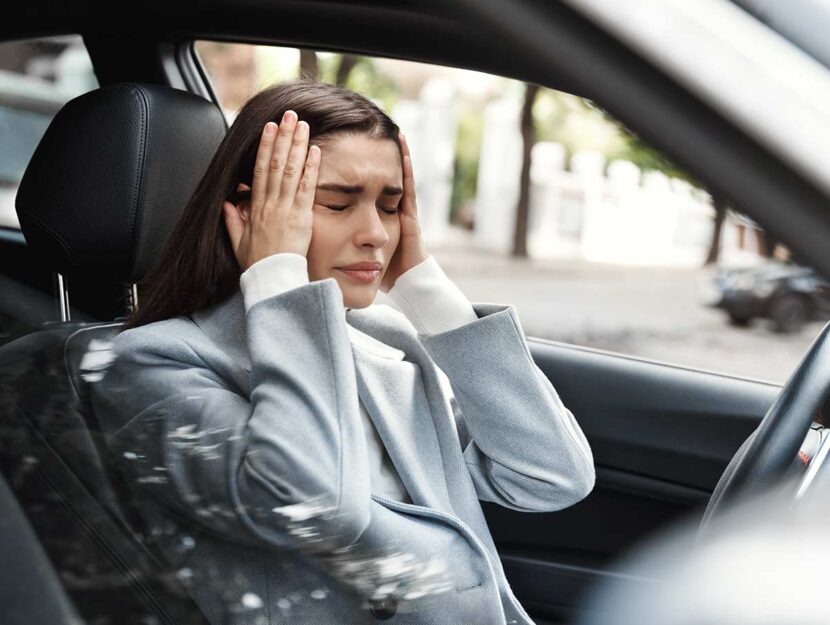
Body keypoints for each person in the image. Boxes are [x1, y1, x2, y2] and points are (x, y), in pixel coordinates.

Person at [90, 78, 595, 625]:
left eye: (392, 205)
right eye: (336, 202)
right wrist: (277, 279)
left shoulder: (384, 340)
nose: (376, 233)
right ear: (250, 215)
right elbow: (316, 503)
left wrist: (427, 292)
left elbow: (551, 476)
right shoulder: (154, 365)